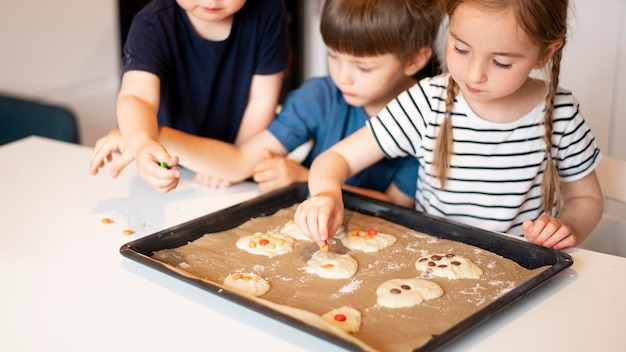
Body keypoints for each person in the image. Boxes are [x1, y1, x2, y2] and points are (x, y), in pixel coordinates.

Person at [294, 0, 604, 251]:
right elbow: (337, 159)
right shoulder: (427, 102)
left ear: (545, 54)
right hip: (429, 260)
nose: (474, 73)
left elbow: (585, 199)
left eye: (501, 62)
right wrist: (325, 194)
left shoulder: (559, 112)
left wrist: (567, 227)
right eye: (461, 48)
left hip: (518, 269)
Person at [89, 0, 444, 206]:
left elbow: (400, 209)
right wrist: (142, 136)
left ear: (414, 60)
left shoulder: (426, 119)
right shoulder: (320, 96)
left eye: (363, 67)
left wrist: (304, 178)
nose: (343, 77)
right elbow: (241, 161)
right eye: (333, 58)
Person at [89, 0, 289, 192]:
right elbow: (137, 95)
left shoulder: (268, 10)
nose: (211, 1)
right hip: (171, 160)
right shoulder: (152, 23)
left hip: (234, 168)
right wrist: (142, 143)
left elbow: (261, 100)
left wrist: (230, 164)